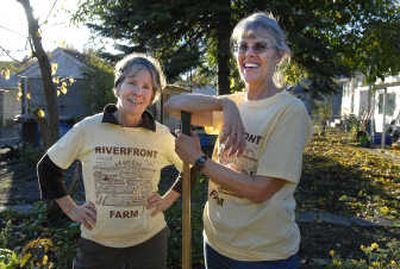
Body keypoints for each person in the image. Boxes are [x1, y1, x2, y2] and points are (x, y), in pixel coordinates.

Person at [166, 12, 312, 269]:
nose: (249, 53)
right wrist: (223, 103)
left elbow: (260, 190)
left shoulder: (289, 111)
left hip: (262, 256)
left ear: (279, 56)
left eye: (260, 46)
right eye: (242, 46)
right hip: (215, 242)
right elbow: (172, 105)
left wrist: (199, 160)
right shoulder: (232, 104)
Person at [37, 53, 183, 269]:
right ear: (118, 87)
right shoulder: (88, 129)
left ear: (153, 95)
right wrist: (72, 210)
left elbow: (191, 168)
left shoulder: (160, 135)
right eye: (132, 83)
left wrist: (168, 199)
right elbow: (47, 168)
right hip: (98, 245)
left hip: (149, 243)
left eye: (147, 87)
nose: (138, 92)